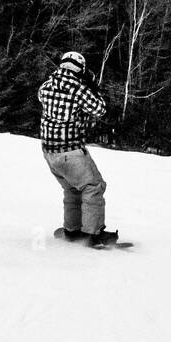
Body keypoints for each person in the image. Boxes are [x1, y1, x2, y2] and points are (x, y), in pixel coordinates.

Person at [38, 51, 117, 247]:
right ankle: (92, 234)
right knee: (93, 187)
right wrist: (91, 86)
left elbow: (44, 97)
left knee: (72, 189)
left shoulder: (46, 86)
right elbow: (100, 109)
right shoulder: (77, 88)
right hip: (71, 151)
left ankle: (72, 230)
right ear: (80, 69)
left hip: (49, 153)